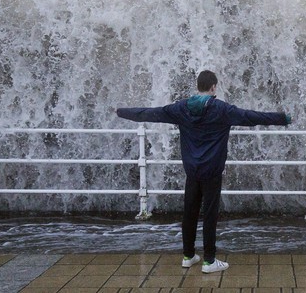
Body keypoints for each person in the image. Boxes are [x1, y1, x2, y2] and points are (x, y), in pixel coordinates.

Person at [116, 70, 291, 273]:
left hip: (192, 171)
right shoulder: (221, 109)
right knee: (209, 215)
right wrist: (283, 118)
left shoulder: (181, 108)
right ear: (213, 87)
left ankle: (188, 256)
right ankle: (209, 260)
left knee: (189, 213)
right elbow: (251, 117)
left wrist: (121, 111)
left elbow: (149, 113)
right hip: (212, 171)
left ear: (198, 86)